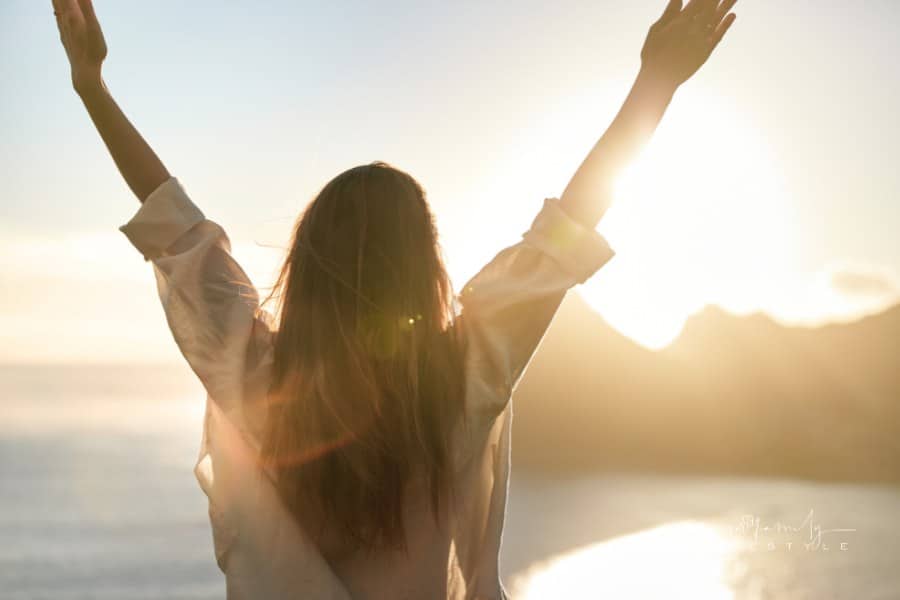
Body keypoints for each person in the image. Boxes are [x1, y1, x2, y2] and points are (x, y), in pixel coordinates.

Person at [52, 0, 736, 597]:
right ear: (422, 268)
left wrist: (92, 88)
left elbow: (178, 232)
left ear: (308, 265)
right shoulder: (461, 385)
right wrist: (655, 85)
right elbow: (563, 235)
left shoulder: (264, 385)